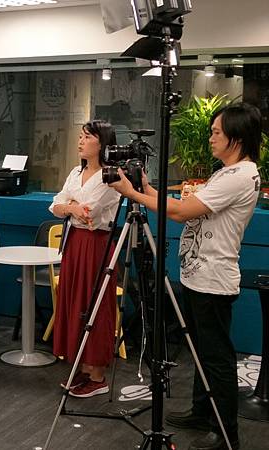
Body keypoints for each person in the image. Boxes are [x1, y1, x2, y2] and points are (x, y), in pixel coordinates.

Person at [110, 103, 262, 450]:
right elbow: (184, 205)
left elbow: (180, 212)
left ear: (237, 138)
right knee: (200, 351)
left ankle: (226, 432)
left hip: (213, 279)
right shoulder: (228, 172)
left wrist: (131, 194)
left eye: (216, 132)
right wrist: (146, 188)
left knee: (216, 357)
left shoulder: (238, 176)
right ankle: (201, 411)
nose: (211, 138)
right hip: (199, 275)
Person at [49, 120, 121, 397]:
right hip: (74, 241)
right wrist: (71, 208)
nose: (80, 141)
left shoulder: (110, 176)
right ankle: (82, 365)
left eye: (87, 137)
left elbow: (90, 211)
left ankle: (98, 375)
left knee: (95, 305)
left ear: (102, 143)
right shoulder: (75, 172)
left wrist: (70, 207)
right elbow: (56, 204)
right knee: (73, 302)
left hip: (96, 245)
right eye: (80, 136)